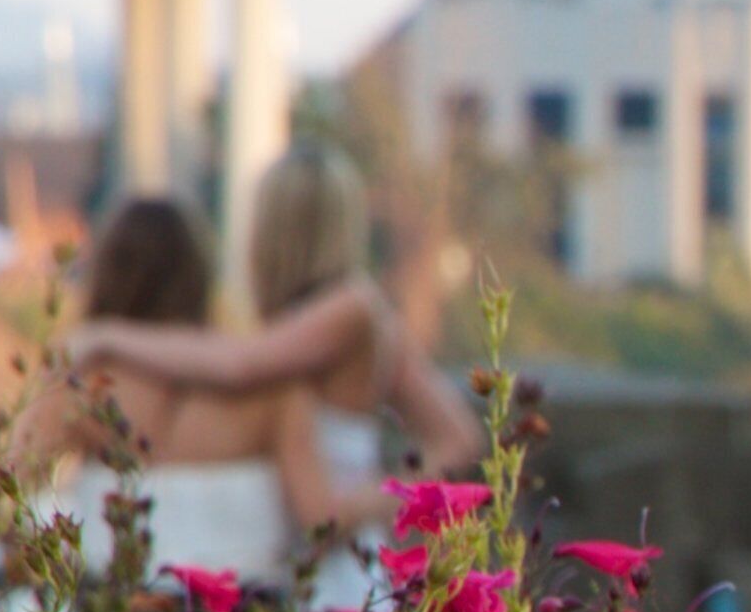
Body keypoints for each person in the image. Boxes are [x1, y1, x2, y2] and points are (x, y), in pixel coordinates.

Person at [68, 148, 485, 492]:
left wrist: (107, 336)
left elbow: (238, 366)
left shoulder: (351, 307)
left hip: (327, 563)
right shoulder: (336, 320)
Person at [18, 198, 348, 582]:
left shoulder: (83, 384)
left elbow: (2, 493)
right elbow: (319, 517)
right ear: (200, 274)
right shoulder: (270, 386)